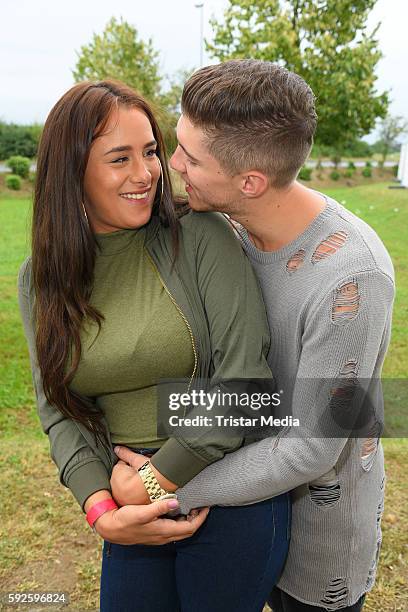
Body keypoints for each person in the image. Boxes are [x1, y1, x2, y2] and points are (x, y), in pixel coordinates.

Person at [114, 60, 395, 611]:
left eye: (191, 157)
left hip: (316, 535)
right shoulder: (223, 221)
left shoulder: (352, 277)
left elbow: (313, 447)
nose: (173, 165)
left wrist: (161, 489)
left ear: (250, 182)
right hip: (225, 510)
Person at [18, 79, 290, 612]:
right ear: (71, 173)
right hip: (128, 509)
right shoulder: (41, 280)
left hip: (226, 492)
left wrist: (152, 481)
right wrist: (103, 510)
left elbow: (243, 383)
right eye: (119, 158)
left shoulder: (200, 236)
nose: (145, 174)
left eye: (150, 152)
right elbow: (59, 410)